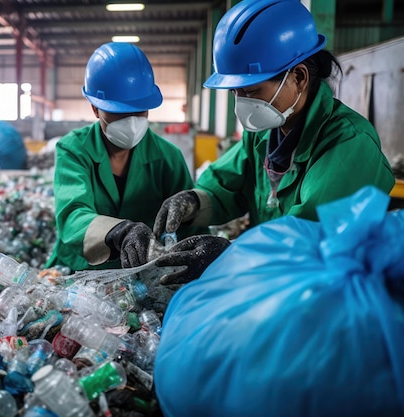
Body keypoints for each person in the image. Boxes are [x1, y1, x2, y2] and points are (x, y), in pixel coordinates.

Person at [150, 0, 395, 283]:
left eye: (251, 91)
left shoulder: (348, 142)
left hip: (331, 291)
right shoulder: (263, 133)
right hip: (274, 282)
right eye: (235, 93)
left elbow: (312, 235)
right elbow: (227, 186)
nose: (241, 103)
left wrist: (230, 255)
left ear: (299, 77)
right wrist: (194, 200)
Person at [44, 42, 203, 272]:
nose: (131, 121)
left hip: (146, 272)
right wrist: (116, 232)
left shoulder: (169, 158)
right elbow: (72, 216)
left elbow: (190, 228)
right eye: (119, 112)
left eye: (139, 111)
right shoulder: (74, 149)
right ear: (95, 109)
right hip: (80, 270)